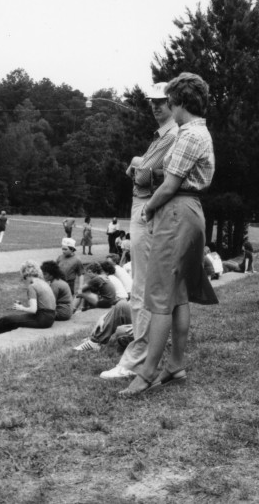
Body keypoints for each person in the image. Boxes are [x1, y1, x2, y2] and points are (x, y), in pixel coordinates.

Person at [119, 72, 218, 397]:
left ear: (180, 104)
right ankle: (175, 364)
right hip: (188, 213)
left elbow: (169, 185)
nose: (169, 109)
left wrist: (148, 209)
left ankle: (147, 373)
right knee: (177, 295)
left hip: (176, 212)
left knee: (160, 295)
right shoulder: (199, 132)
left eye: (171, 102)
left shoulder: (188, 135)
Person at [100, 82, 178, 380]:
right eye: (152, 102)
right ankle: (143, 347)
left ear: (173, 102)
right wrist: (140, 165)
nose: (155, 106)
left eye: (161, 101)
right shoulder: (163, 134)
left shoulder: (170, 134)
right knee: (144, 286)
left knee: (142, 287)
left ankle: (134, 358)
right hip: (146, 206)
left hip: (148, 207)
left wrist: (136, 163)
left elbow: (145, 174)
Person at [0, 260, 56, 338]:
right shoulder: (43, 283)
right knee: (14, 320)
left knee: (7, 319)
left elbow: (33, 310)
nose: (24, 281)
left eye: (23, 278)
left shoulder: (32, 286)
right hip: (50, 317)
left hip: (43, 319)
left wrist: (21, 308)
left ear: (26, 276)